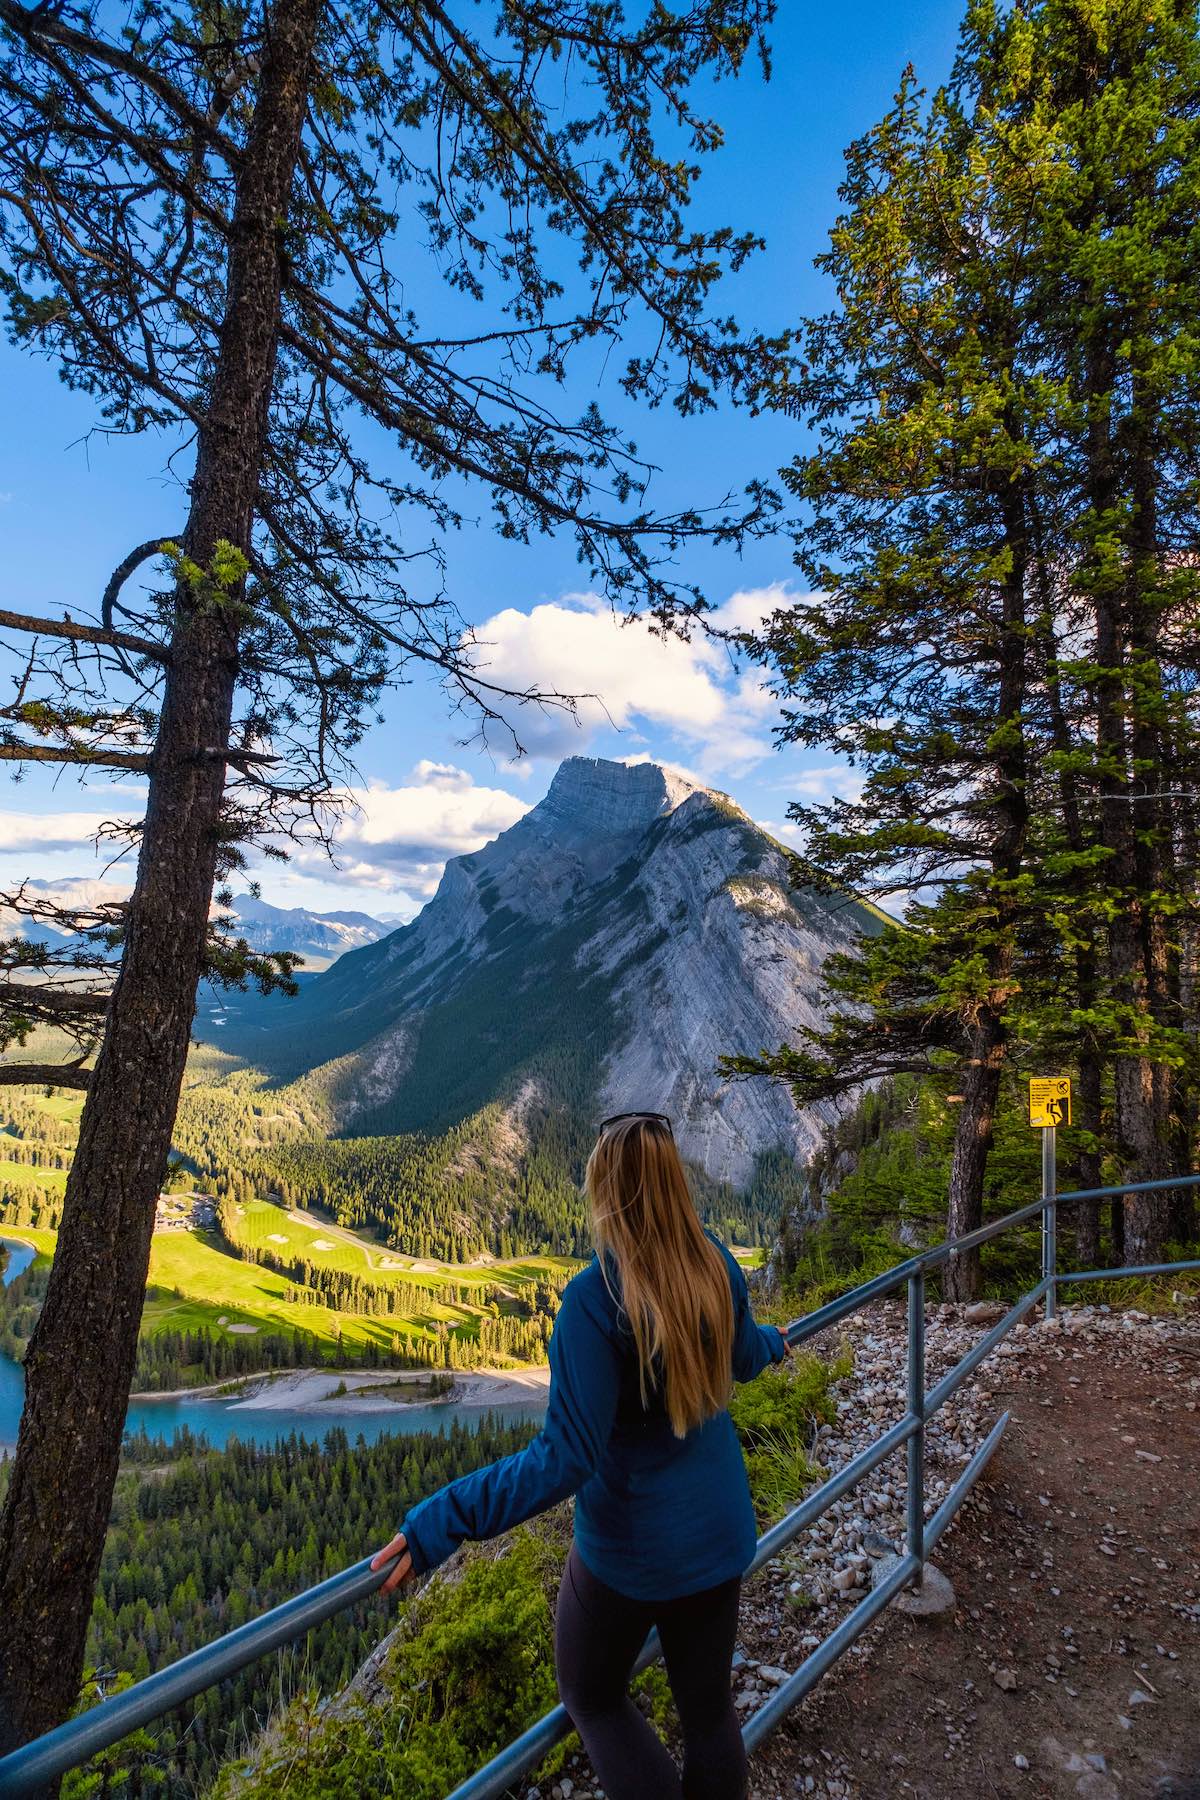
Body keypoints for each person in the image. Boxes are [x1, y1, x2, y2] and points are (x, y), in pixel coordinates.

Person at [370, 1110, 793, 1800]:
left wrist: (441, 1519)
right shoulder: (713, 1262)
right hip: (719, 1534)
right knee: (710, 1713)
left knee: (591, 1696)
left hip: (632, 1554)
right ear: (672, 1185)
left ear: (609, 1193)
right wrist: (773, 1342)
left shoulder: (593, 1304)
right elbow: (745, 1357)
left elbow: (564, 1458)